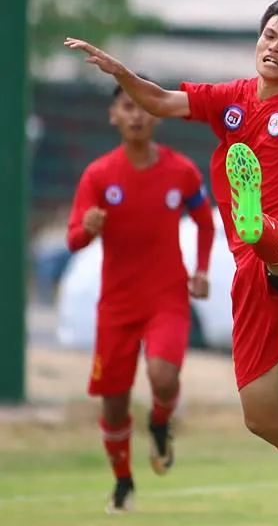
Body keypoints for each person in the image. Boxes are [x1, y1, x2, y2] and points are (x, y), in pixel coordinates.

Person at [64, 0, 278, 525]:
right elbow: (160, 101)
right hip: (251, 274)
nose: (274, 47)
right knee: (263, 417)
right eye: (269, 35)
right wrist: (119, 71)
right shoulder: (233, 97)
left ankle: (258, 224)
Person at [66, 82, 215, 513]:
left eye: (143, 107)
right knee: (113, 403)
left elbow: (205, 222)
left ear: (157, 112)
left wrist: (201, 271)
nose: (136, 115)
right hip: (117, 304)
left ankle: (160, 423)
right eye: (126, 107)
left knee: (163, 377)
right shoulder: (98, 175)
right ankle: (123, 481)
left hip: (167, 297)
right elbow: (73, 238)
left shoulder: (181, 171)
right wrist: (88, 229)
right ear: (113, 116)